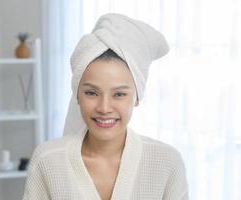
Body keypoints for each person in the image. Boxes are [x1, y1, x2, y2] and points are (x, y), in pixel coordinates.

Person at [22, 13, 189, 200]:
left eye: (119, 94)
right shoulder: (48, 160)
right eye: (92, 93)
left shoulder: (167, 163)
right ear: (77, 95)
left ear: (136, 98)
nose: (104, 108)